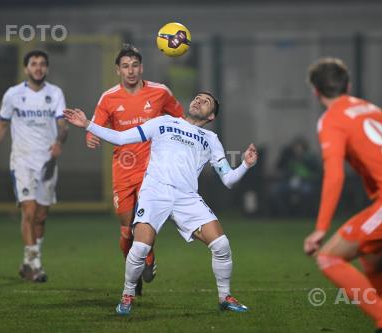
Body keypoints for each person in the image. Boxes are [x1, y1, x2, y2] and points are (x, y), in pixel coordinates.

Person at [64, 92, 258, 316]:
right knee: (140, 247)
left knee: (222, 245)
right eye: (197, 97)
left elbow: (229, 179)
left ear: (212, 116)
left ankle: (224, 297)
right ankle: (127, 296)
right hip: (155, 191)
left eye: (206, 101)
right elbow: (120, 138)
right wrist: (88, 124)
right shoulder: (164, 122)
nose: (198, 100)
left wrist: (245, 164)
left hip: (186, 197)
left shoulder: (210, 139)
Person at [303, 58, 382, 333]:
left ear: (316, 92)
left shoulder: (332, 120)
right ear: (348, 85)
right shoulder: (372, 109)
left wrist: (320, 228)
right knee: (371, 257)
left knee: (329, 257)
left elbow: (334, 174)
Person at [86, 44, 184, 294]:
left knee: (144, 222)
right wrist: (90, 137)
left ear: (142, 67)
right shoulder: (108, 98)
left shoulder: (160, 92)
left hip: (153, 170)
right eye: (125, 66)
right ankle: (134, 269)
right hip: (123, 168)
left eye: (135, 65)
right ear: (118, 70)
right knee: (126, 230)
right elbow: (95, 126)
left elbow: (180, 119)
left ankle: (148, 258)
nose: (131, 71)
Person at [0, 50, 68, 283]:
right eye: (34, 64)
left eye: (42, 64)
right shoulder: (13, 94)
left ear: (47, 68)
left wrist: (59, 142)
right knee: (29, 212)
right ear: (26, 68)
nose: (38, 68)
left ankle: (27, 261)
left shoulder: (55, 93)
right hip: (21, 161)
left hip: (47, 162)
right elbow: (1, 126)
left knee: (41, 216)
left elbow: (63, 125)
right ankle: (36, 266)